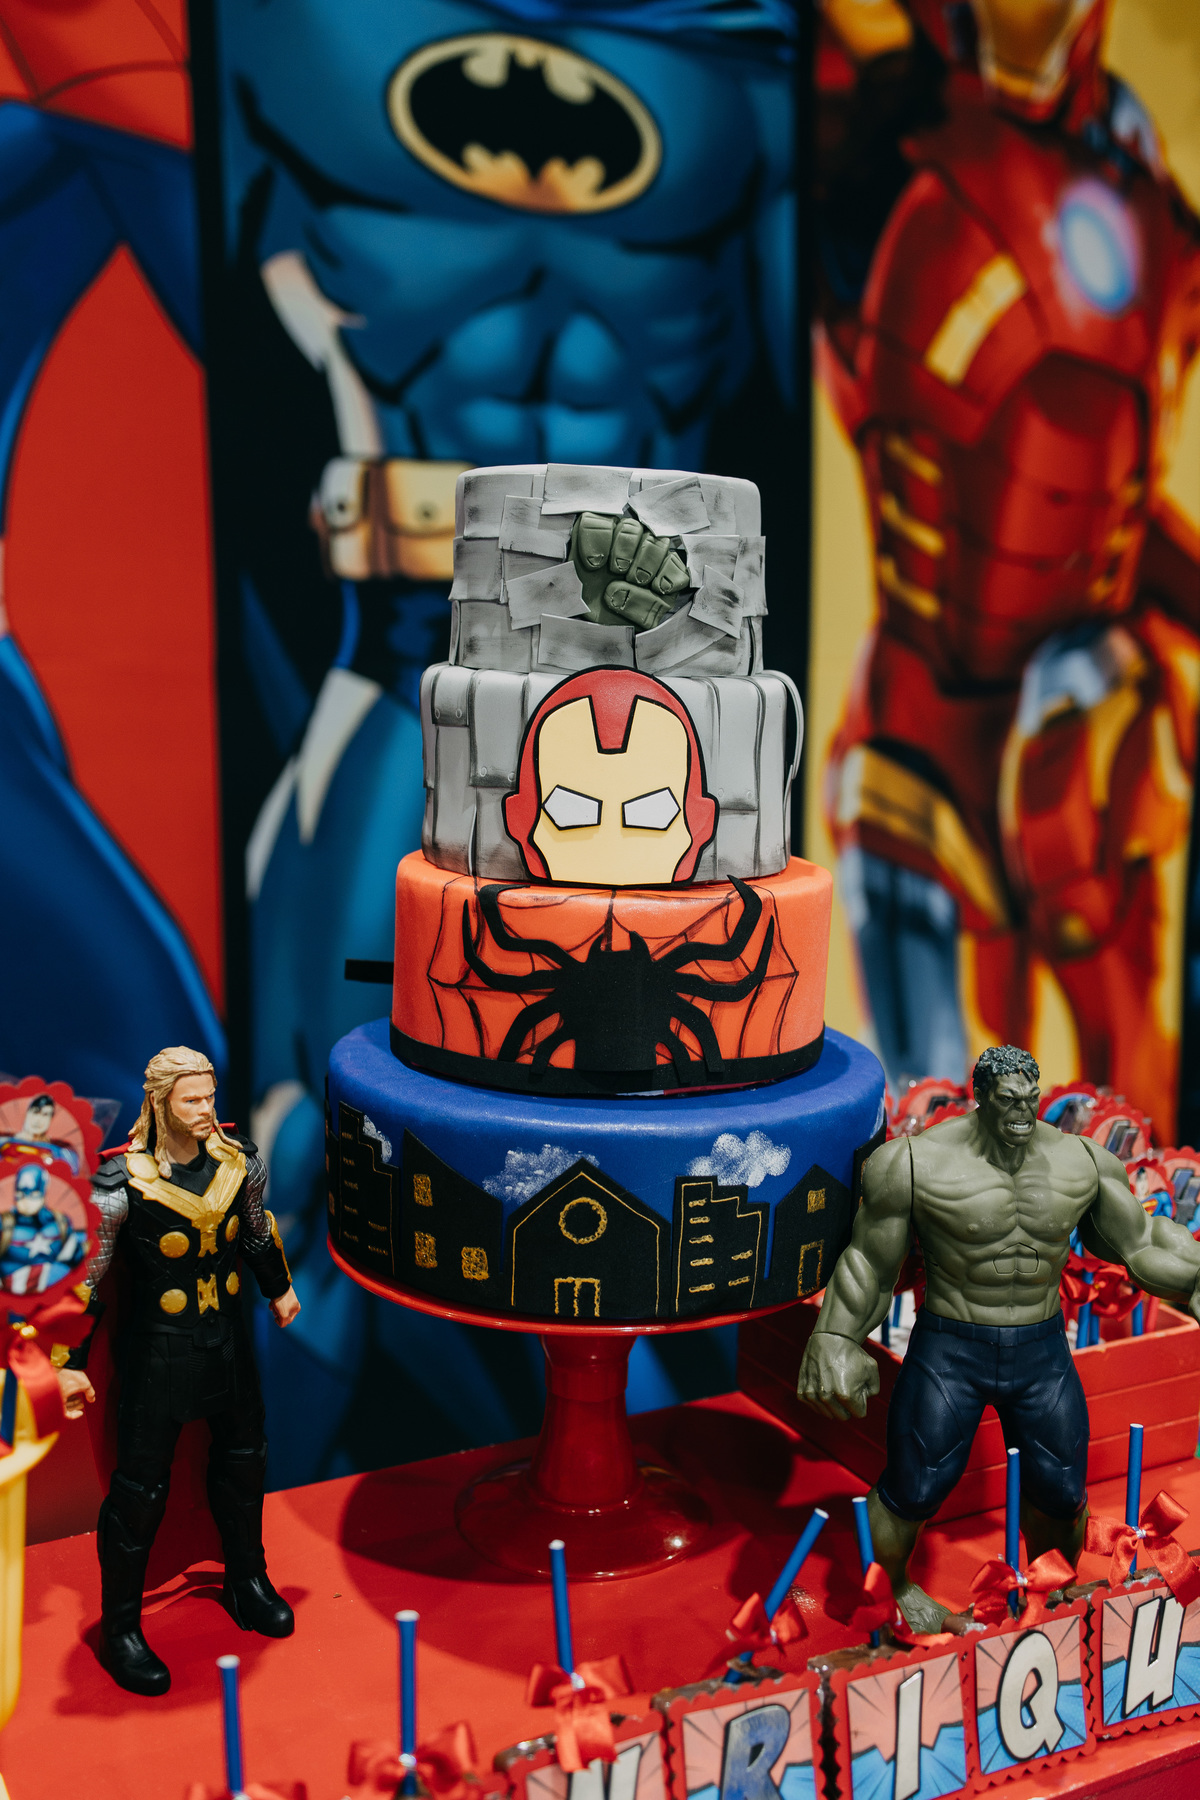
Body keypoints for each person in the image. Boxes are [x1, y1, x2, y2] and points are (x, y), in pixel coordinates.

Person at [796, 1044, 1200, 1631]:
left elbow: (1140, 1242)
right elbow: (869, 1263)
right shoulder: (914, 1162)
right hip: (950, 1348)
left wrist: (1194, 1279)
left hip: (1041, 1348)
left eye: (1030, 1099)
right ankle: (894, 1590)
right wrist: (836, 1335)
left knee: (1061, 1487)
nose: (1022, 1112)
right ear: (981, 1096)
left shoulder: (1080, 1162)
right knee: (916, 1482)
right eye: (1009, 1100)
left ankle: (1051, 1583)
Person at [56, 1046, 301, 1696]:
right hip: (158, 1351)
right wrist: (69, 1361)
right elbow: (89, 1280)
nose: (205, 1109)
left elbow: (256, 1232)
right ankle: (121, 1628)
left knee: (244, 1460)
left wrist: (278, 1287)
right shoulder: (120, 1186)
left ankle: (247, 1580)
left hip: (227, 1340)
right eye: (192, 1099)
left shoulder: (238, 1162)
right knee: (140, 1492)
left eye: (209, 1096)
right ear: (161, 1102)